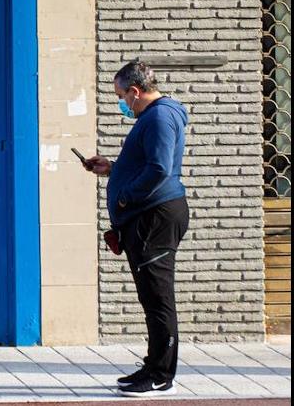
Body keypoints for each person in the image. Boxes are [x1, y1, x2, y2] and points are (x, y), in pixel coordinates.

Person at [84, 61, 189, 398]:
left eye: (121, 96)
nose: (121, 104)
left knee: (158, 299)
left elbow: (159, 169)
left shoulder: (159, 117)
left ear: (135, 91)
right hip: (149, 217)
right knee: (150, 296)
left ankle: (161, 375)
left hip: (153, 219)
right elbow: (147, 164)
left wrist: (127, 198)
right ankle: (153, 365)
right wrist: (113, 169)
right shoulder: (155, 117)